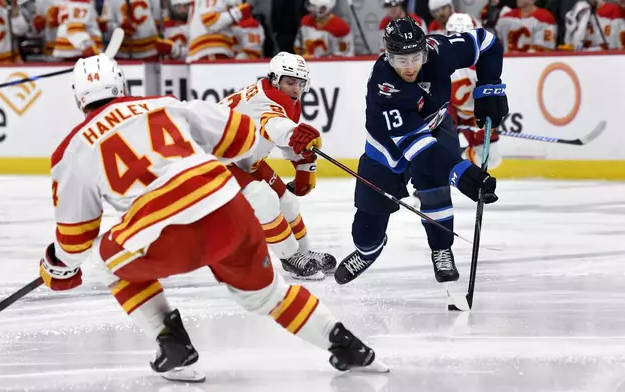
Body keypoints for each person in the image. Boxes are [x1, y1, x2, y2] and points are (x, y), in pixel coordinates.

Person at [39, 53, 386, 382]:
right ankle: (350, 348)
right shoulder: (165, 104)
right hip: (228, 210)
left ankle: (172, 344)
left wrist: (57, 266)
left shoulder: (72, 150)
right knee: (268, 297)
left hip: (163, 231)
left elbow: (75, 238)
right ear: (123, 85)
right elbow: (242, 137)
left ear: (78, 98)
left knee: (104, 261)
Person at [334, 17, 507, 285]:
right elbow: (421, 152)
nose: (410, 66)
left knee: (436, 189)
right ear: (388, 56)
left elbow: (488, 43)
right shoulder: (385, 88)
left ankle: (441, 248)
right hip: (387, 147)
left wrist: (489, 87)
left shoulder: (441, 51)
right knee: (367, 225)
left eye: (415, 57)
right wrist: (463, 174)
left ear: (425, 48)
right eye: (401, 60)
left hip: (437, 127)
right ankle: (368, 251)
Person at [220, 52, 336, 280]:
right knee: (265, 200)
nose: (295, 89)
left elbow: (286, 142)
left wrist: (304, 165)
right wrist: (295, 134)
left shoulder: (276, 95)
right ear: (275, 79)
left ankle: (303, 252)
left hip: (244, 161)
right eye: (290, 82)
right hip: (218, 164)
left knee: (288, 202)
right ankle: (291, 258)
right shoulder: (266, 102)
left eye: (300, 84)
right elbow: (275, 127)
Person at [446, 13, 502, 169]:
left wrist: (486, 115)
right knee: (440, 145)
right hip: (451, 110)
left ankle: (458, 162)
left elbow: (490, 95)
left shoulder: (482, 63)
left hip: (476, 115)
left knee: (493, 159)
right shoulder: (440, 59)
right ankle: (436, 181)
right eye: (452, 35)